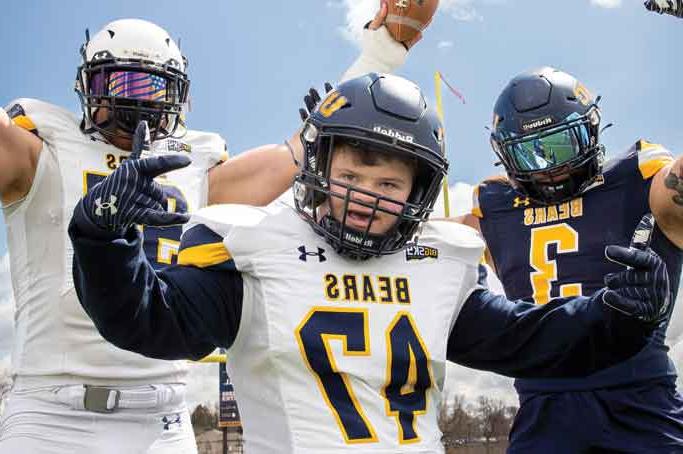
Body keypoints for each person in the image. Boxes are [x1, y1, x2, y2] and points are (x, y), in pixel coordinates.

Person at [68, 73, 671, 454]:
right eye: (349, 176)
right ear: (317, 170)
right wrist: (102, 242)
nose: (364, 197)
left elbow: (533, 340)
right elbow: (147, 321)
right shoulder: (255, 248)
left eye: (386, 182)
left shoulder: (438, 264)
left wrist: (621, 317)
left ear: (419, 194)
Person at [0, 6, 423, 452]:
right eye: (119, 82)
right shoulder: (40, 148)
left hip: (161, 413)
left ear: (178, 92)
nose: (135, 101)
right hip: (51, 412)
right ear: (89, 85)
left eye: (152, 85)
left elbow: (306, 148)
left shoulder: (194, 166)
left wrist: (380, 54)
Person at [456, 66, 682, 452]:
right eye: (529, 153)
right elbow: (389, 238)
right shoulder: (491, 210)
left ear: (590, 130)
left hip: (641, 399)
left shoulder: (643, 180)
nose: (548, 167)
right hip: (543, 407)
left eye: (561, 144)